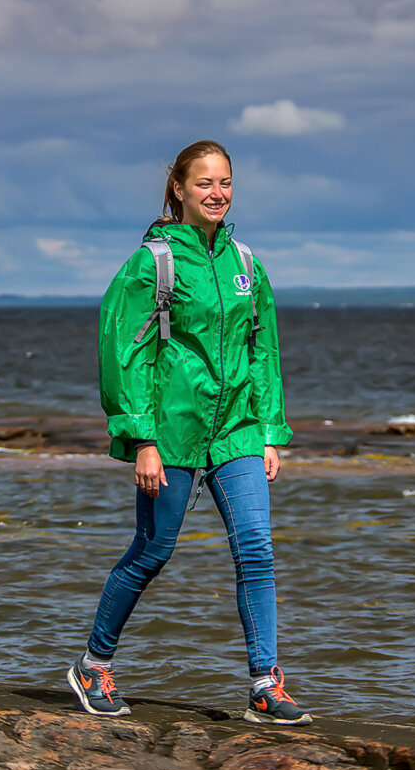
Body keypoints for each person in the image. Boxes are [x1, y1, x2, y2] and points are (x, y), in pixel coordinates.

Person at [67, 139, 310, 726]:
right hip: (171, 433)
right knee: (153, 550)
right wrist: (141, 438)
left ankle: (264, 683)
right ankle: (93, 665)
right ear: (178, 188)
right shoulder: (152, 262)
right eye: (204, 183)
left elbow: (262, 352)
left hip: (238, 431)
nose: (217, 193)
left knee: (256, 549)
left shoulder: (247, 265)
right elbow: (123, 351)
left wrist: (270, 432)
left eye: (225, 182)